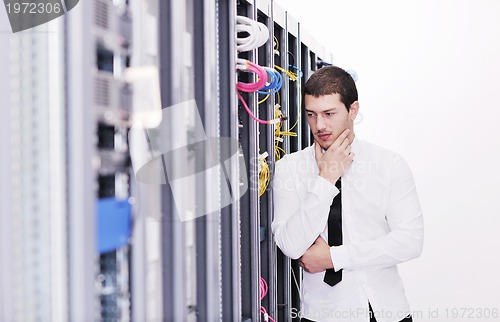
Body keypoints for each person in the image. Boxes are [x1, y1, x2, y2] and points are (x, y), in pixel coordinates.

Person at [271, 66, 424, 322]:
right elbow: (290, 244)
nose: (319, 125)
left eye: (329, 113)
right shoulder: (290, 168)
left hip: (387, 312)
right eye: (311, 115)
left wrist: (333, 258)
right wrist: (326, 178)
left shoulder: (389, 164)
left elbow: (410, 241)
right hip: (322, 315)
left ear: (353, 110)